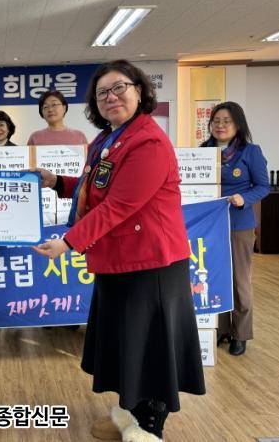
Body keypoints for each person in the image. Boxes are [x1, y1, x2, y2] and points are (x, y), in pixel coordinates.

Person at [32, 60, 205, 442]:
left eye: (119, 88)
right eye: (102, 93)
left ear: (139, 91)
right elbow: (96, 188)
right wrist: (57, 181)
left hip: (151, 264)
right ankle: (130, 414)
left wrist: (68, 242)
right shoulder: (108, 139)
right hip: (120, 260)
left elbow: (119, 205)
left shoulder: (148, 142)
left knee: (150, 349)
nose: (111, 97)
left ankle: (150, 428)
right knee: (129, 345)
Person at [201, 101, 269, 357]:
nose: (220, 125)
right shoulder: (203, 151)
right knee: (214, 278)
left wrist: (244, 198)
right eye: (216, 121)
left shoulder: (250, 152)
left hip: (239, 225)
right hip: (210, 226)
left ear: (238, 124)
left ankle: (240, 334)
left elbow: (263, 186)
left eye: (226, 121)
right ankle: (221, 329)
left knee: (239, 281)